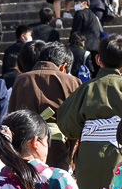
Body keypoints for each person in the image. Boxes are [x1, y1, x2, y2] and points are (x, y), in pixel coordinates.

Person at [58, 34, 122, 189]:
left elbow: (67, 125)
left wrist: (87, 131)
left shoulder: (85, 88)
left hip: (89, 154)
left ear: (98, 59)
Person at [9, 41, 80, 170]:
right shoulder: (73, 82)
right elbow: (76, 123)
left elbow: (11, 118)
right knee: (55, 185)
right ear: (63, 66)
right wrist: (71, 156)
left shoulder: (21, 80)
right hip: (59, 146)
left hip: (25, 146)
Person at [69, 0, 102, 66]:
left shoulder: (79, 13)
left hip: (84, 47)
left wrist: (71, 42)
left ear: (85, 3)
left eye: (77, 3)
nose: (75, 6)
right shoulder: (94, 16)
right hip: (96, 46)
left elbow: (75, 30)